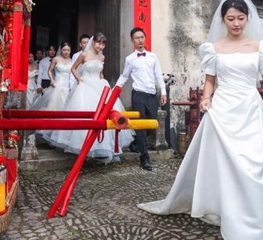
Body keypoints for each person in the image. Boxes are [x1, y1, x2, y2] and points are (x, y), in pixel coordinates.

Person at [138, 0, 263, 240]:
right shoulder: (214, 48)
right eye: (231, 19)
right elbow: (210, 81)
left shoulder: (260, 47)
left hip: (250, 110)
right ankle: (224, 208)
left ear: (247, 18)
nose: (236, 23)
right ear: (223, 19)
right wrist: (206, 98)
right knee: (225, 163)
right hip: (223, 109)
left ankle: (254, 214)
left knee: (254, 164)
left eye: (241, 18)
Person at [48, 33, 134, 162]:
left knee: (106, 114)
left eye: (103, 44)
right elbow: (73, 68)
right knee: (85, 112)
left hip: (99, 86)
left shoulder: (102, 57)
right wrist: (79, 80)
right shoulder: (84, 55)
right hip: (85, 85)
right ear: (93, 43)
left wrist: (103, 81)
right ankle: (84, 146)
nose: (101, 46)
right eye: (99, 43)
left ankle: (104, 147)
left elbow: (100, 72)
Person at [114, 27, 166, 171]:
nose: (140, 40)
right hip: (138, 94)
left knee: (152, 122)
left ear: (145, 38)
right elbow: (124, 76)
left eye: (142, 37)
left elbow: (158, 75)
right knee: (141, 124)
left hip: (151, 95)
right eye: (137, 38)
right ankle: (144, 158)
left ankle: (136, 141)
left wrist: (163, 92)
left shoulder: (152, 57)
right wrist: (114, 91)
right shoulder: (130, 59)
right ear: (132, 41)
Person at [34, 42, 74, 140]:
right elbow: (49, 71)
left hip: (67, 87)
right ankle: (50, 131)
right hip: (58, 86)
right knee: (54, 108)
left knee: (66, 108)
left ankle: (63, 134)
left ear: (70, 51)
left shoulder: (71, 60)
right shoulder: (56, 59)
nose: (66, 52)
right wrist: (52, 80)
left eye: (68, 50)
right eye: (64, 50)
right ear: (61, 50)